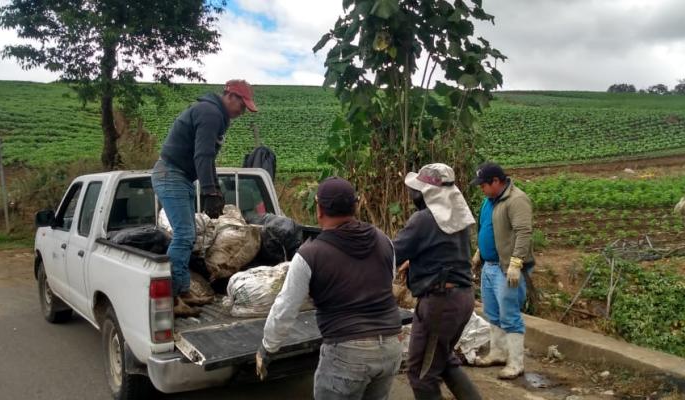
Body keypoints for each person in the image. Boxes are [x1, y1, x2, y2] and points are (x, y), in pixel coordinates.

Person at [256, 177, 403, 400]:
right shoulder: (384, 241)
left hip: (347, 354)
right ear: (355, 206)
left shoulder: (310, 255)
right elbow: (386, 280)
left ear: (320, 210)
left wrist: (268, 348)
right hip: (391, 349)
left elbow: (285, 307)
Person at [151, 79, 257, 316]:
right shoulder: (210, 113)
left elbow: (207, 159)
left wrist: (214, 189)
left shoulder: (215, 115)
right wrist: (209, 190)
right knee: (184, 235)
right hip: (170, 174)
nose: (242, 111)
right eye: (242, 105)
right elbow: (203, 155)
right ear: (230, 96)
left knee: (188, 236)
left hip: (181, 177)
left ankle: (183, 290)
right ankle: (172, 297)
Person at [393, 163, 482, 400]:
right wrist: (418, 262)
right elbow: (446, 252)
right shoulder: (457, 217)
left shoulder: (423, 219)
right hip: (462, 297)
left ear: (427, 193)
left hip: (440, 303)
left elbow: (392, 252)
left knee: (421, 373)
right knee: (443, 361)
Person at [470, 162, 534, 380]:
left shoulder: (517, 200)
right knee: (493, 314)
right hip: (489, 266)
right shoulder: (489, 202)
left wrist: (516, 263)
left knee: (510, 316)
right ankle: (497, 352)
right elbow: (489, 229)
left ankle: (516, 363)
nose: (481, 189)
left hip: (505, 268)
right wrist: (480, 251)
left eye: (483, 185)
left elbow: (523, 232)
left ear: (496, 182)